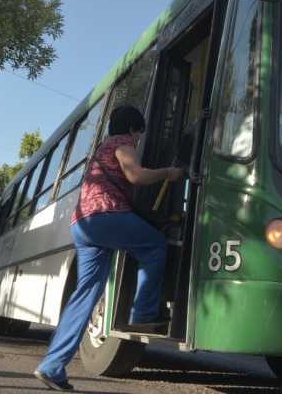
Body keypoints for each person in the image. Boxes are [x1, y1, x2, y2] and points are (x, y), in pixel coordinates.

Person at [34, 105, 183, 391]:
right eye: (139, 134)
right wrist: (168, 172)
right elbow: (135, 176)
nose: (138, 140)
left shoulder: (102, 147)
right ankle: (142, 316)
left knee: (84, 297)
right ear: (132, 129)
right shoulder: (122, 143)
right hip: (107, 216)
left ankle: (52, 366)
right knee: (154, 246)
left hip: (83, 225)